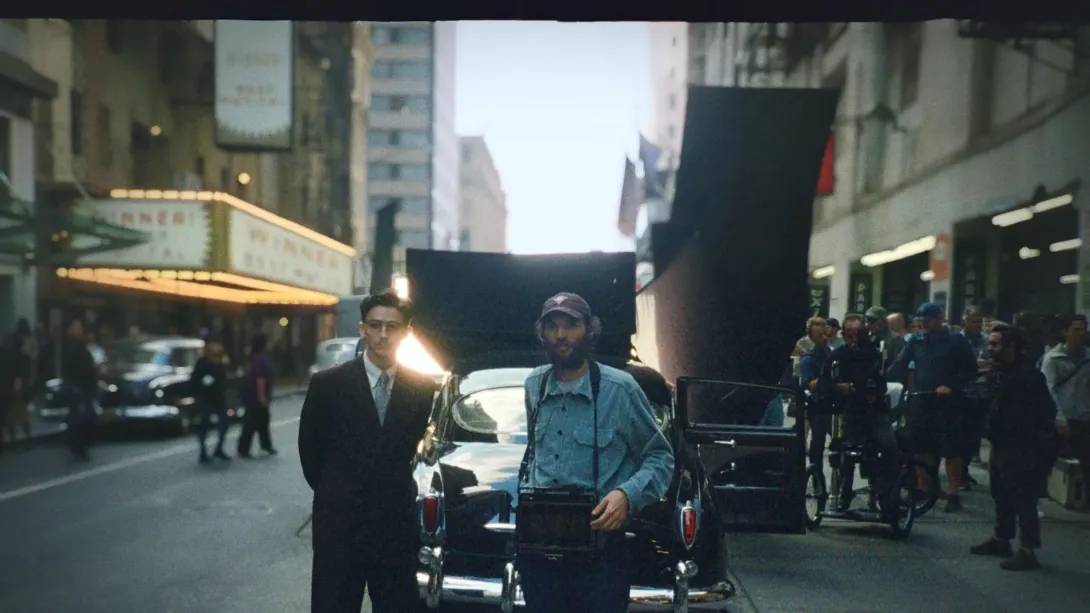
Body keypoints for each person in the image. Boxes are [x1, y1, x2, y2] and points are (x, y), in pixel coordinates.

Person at [519, 292, 674, 613]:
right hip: (541, 554)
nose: (560, 335)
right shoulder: (534, 384)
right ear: (542, 333)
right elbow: (535, 451)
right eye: (552, 326)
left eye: (570, 325)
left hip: (600, 556)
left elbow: (661, 458)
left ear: (590, 331)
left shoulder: (621, 389)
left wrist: (626, 496)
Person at [298, 289, 438, 613]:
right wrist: (338, 492)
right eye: (375, 325)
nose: (383, 334)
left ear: (406, 332)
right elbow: (311, 453)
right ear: (362, 329)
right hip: (340, 525)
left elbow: (408, 445)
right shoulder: (328, 384)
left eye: (392, 326)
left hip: (394, 525)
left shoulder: (421, 388)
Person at [971, 325, 1058, 571]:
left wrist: (1030, 435)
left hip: (1022, 445)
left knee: (1023, 497)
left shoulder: (1028, 376)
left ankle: (1028, 550)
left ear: (1011, 346)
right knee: (1001, 494)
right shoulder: (1000, 372)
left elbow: (1046, 410)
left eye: (995, 344)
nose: (990, 348)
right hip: (1001, 442)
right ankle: (1001, 539)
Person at [887, 302, 978, 512]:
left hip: (948, 404)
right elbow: (900, 364)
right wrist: (884, 381)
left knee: (951, 449)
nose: (923, 325)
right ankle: (923, 488)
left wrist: (952, 386)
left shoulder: (955, 340)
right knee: (919, 446)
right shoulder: (916, 340)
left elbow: (970, 370)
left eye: (927, 321)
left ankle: (953, 493)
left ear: (938, 319)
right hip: (921, 401)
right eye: (920, 321)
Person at [817, 313, 898, 511]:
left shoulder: (873, 354)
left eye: (857, 333)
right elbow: (824, 382)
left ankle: (886, 492)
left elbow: (880, 382)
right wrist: (839, 388)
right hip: (849, 412)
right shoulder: (837, 356)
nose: (853, 338)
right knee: (845, 452)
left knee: (889, 446)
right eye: (849, 333)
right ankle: (843, 495)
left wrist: (872, 394)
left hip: (874, 412)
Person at [1041, 314, 1089, 489]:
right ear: (1065, 332)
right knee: (1051, 461)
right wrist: (1058, 417)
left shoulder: (1087, 358)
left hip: (1084, 417)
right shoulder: (1053, 358)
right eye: (1076, 330)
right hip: (1062, 418)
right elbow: (1049, 390)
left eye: (1083, 329)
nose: (1081, 333)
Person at [959, 306, 992, 490]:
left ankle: (965, 470)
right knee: (961, 436)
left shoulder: (986, 341)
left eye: (979, 321)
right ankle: (960, 474)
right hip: (962, 394)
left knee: (975, 436)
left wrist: (982, 367)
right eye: (973, 321)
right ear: (965, 322)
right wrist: (975, 367)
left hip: (982, 394)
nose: (977, 325)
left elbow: (992, 362)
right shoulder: (957, 340)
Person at [60, 318, 98, 460]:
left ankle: (82, 444)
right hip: (77, 385)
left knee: (87, 415)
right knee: (80, 416)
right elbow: (72, 366)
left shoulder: (82, 344)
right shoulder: (69, 345)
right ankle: (78, 445)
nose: (79, 330)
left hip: (86, 384)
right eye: (76, 327)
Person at [799, 316, 833, 471]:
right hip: (819, 405)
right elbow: (809, 384)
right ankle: (816, 474)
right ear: (812, 337)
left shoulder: (834, 354)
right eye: (819, 335)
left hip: (836, 403)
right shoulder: (808, 359)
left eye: (825, 333)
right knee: (818, 442)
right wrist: (828, 378)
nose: (824, 337)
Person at [191, 338, 231, 464]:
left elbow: (223, 378)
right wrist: (203, 385)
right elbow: (194, 379)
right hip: (206, 398)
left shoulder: (221, 361)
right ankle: (203, 451)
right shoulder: (202, 362)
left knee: (224, 423)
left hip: (218, 398)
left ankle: (219, 448)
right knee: (204, 424)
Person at [238, 334, 277, 458]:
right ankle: (244, 448)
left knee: (261, 420)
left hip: (251, 396)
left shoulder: (253, 358)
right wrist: (262, 396)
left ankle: (265, 445)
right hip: (256, 397)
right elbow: (260, 379)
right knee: (253, 422)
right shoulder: (261, 359)